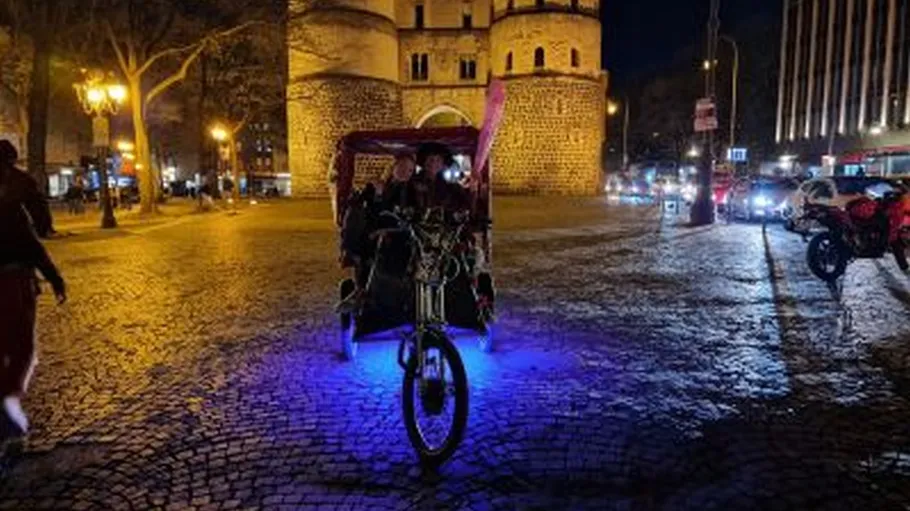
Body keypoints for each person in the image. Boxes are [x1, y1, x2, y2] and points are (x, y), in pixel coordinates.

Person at [0, 140, 66, 439]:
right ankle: (7, 398)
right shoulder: (17, 187)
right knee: (22, 346)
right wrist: (54, 278)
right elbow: (35, 233)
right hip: (14, 278)